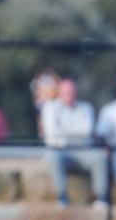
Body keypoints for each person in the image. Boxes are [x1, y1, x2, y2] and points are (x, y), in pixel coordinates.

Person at [40, 79, 108, 208]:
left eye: (71, 92)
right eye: (66, 92)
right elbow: (52, 133)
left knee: (100, 157)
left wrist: (64, 131)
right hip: (61, 150)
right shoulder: (50, 108)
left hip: (84, 150)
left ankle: (101, 198)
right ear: (59, 93)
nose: (69, 95)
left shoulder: (86, 108)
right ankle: (62, 197)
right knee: (53, 157)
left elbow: (87, 130)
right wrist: (74, 133)